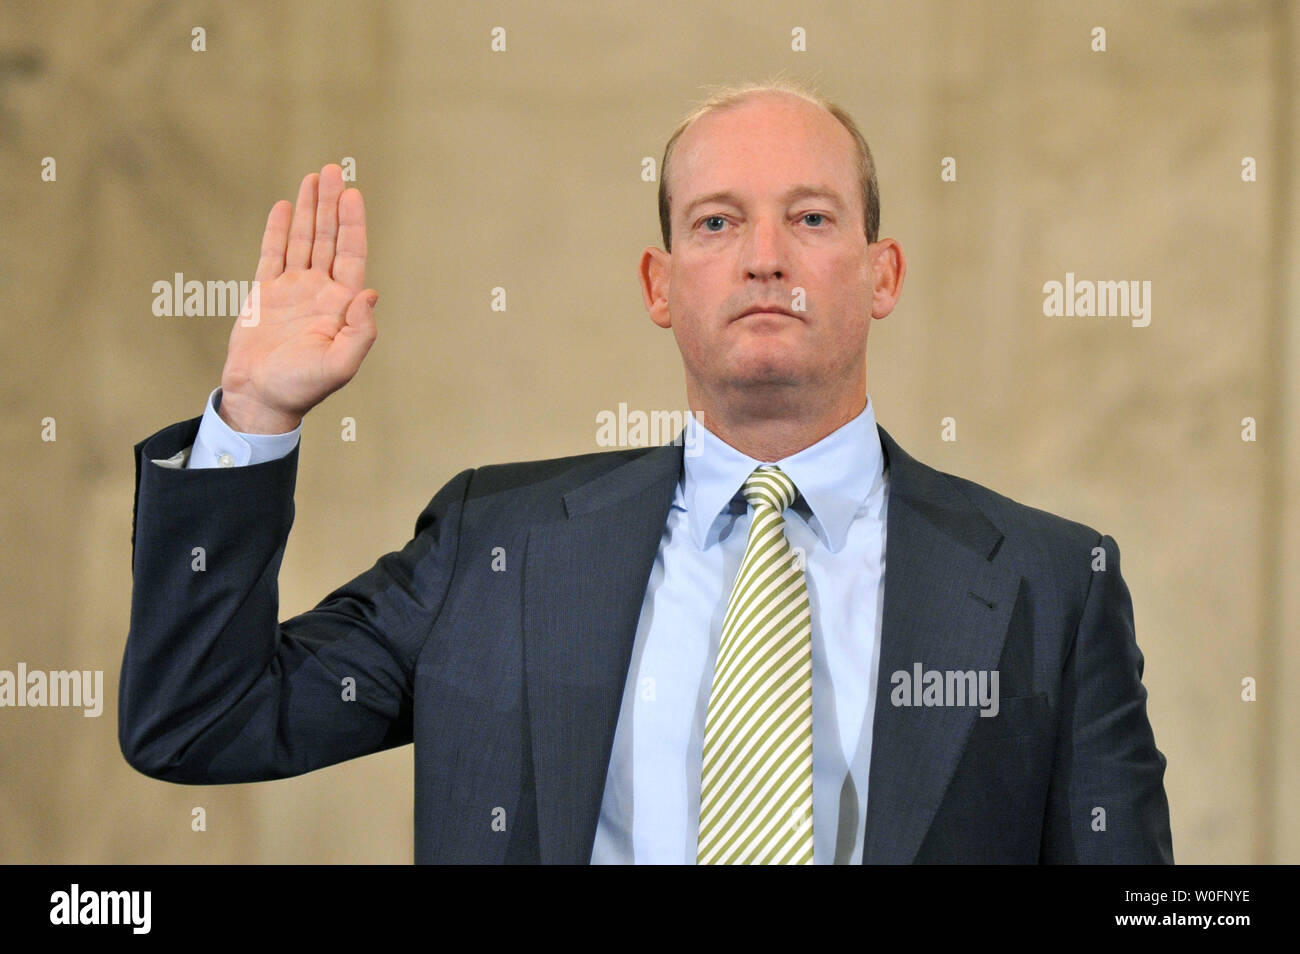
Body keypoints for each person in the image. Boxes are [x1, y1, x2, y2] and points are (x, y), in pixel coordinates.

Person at [119, 80, 1174, 864]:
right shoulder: (498, 547)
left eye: (810, 219)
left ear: (880, 272)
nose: (765, 256)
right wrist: (253, 417)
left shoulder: (1050, 580)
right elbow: (199, 722)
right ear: (659, 285)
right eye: (716, 222)